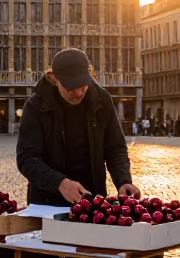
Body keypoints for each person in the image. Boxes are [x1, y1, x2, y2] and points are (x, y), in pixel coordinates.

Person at [17, 48, 139, 205]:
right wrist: (60, 183)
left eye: (82, 85)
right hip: (47, 202)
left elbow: (115, 148)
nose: (79, 93)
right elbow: (26, 159)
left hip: (93, 199)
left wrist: (124, 181)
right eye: (71, 88)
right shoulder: (35, 106)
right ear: (54, 79)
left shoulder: (102, 100)